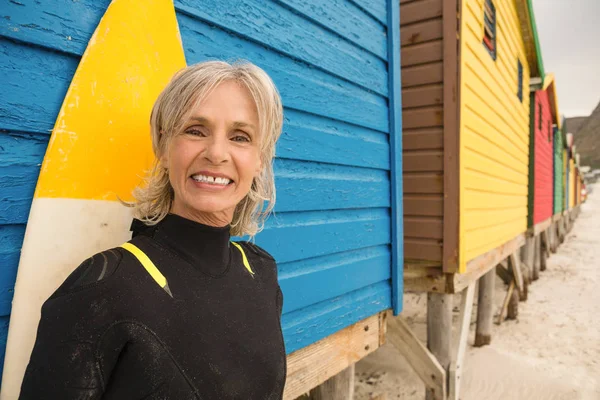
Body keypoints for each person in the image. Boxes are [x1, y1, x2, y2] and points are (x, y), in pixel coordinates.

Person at [20, 61, 286, 399]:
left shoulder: (260, 272)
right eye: (195, 130)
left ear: (260, 159)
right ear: (163, 145)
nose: (217, 153)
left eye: (240, 137)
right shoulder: (102, 286)